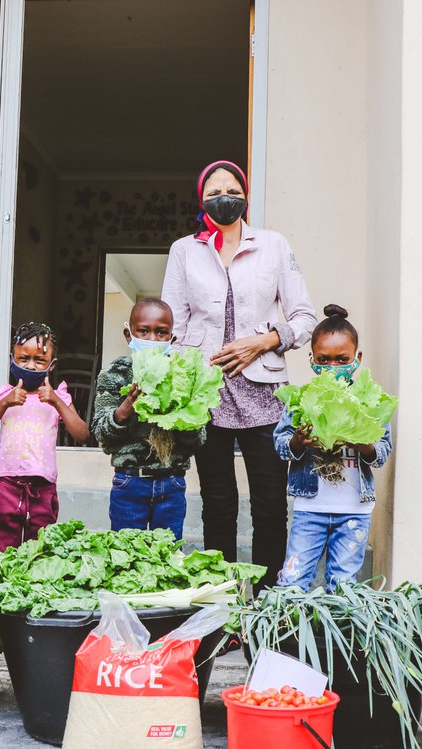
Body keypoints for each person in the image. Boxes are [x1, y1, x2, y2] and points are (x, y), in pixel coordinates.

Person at [160, 160, 317, 587]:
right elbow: (171, 328)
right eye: (214, 189)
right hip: (207, 395)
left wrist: (264, 340)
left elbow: (305, 318)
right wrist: (184, 374)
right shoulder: (184, 250)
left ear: (245, 195)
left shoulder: (273, 245)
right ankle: (222, 602)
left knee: (268, 504)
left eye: (232, 187)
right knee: (217, 502)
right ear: (201, 198)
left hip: (264, 392)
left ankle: (267, 602)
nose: (223, 195)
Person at [273, 305, 393, 591]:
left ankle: (334, 634)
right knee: (292, 582)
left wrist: (365, 445)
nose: (333, 367)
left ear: (357, 359)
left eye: (342, 360)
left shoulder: (368, 402)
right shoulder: (301, 400)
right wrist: (297, 443)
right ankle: (290, 632)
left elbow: (383, 450)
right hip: (309, 509)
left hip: (355, 512)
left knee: (343, 586)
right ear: (312, 359)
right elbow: (279, 445)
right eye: (324, 360)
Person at [91, 299, 206, 539]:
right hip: (129, 481)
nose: (152, 339)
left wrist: (177, 416)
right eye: (143, 331)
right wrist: (126, 408)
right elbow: (101, 434)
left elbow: (198, 440)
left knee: (168, 558)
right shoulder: (116, 374)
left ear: (171, 339)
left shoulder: (183, 375)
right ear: (129, 334)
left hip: (172, 484)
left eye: (161, 332)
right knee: (126, 557)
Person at [0, 322, 89, 550]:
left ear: (52, 365)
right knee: (6, 550)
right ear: (12, 358)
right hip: (6, 484)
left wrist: (55, 400)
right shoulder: (4, 394)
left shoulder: (59, 398)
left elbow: (83, 434)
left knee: (37, 550)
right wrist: (4, 403)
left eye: (40, 360)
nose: (32, 366)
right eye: (23, 359)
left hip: (42, 487)